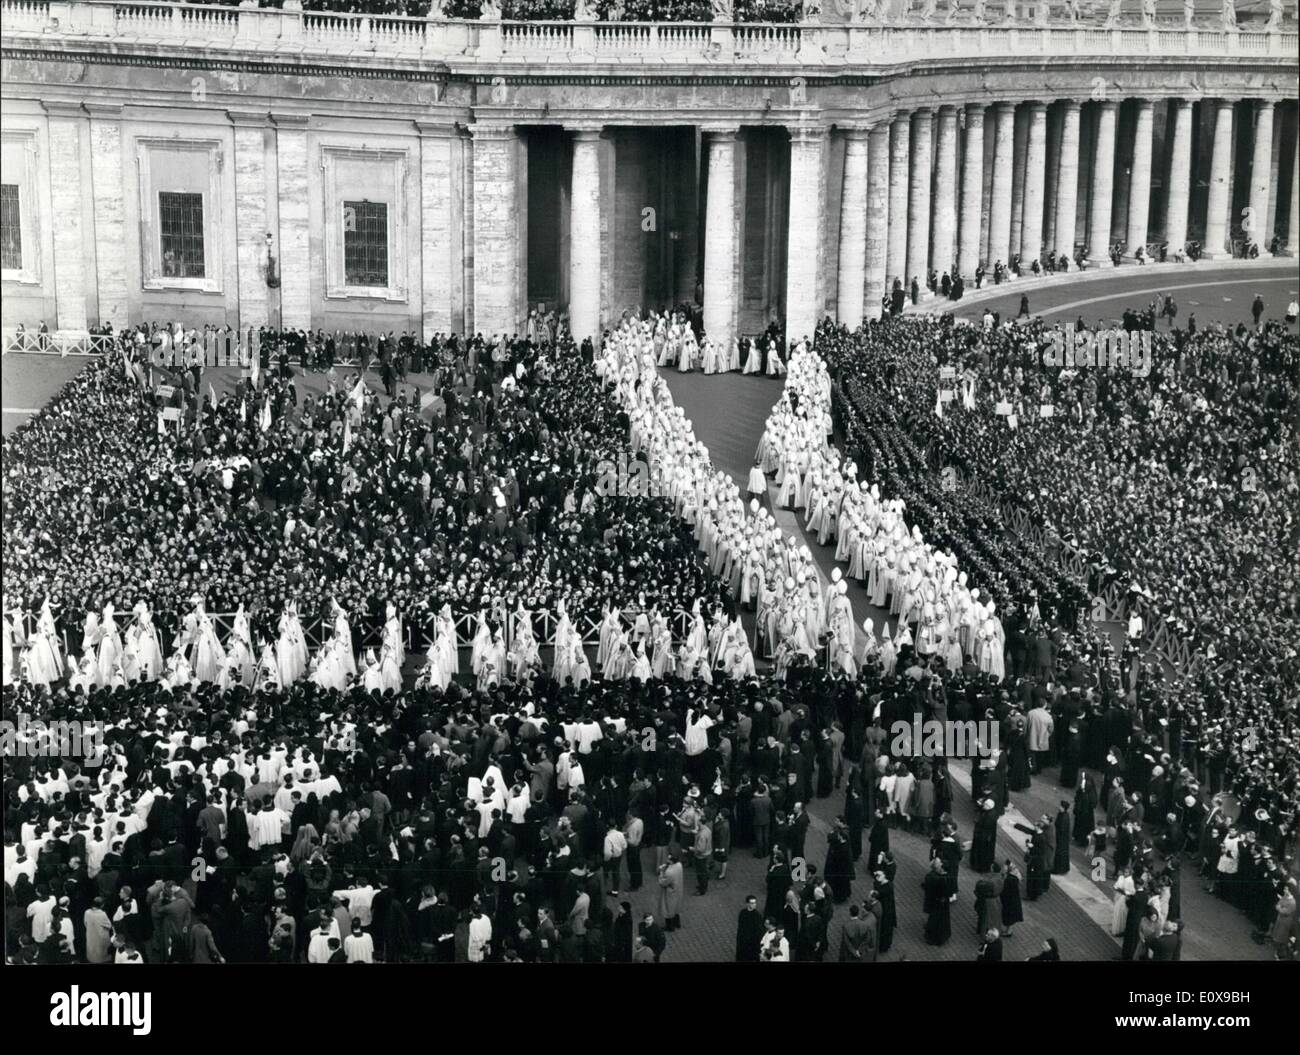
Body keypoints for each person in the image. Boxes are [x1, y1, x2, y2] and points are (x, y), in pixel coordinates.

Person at [736, 895, 765, 962]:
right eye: (752, 903)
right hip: (743, 940)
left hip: (751, 942)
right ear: (747, 904)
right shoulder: (743, 913)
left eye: (755, 903)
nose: (754, 905)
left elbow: (759, 931)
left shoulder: (757, 916)